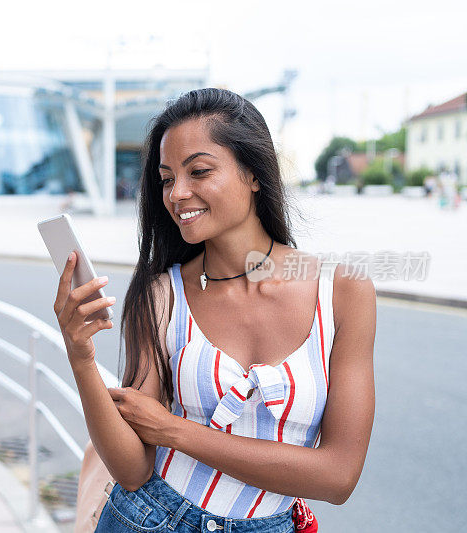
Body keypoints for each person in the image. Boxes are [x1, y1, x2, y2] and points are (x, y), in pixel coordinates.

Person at [53, 88, 376, 532]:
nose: (177, 194)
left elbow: (338, 477)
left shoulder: (342, 292)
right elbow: (132, 470)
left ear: (255, 174)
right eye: (167, 179)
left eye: (199, 172)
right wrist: (81, 356)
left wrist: (175, 431)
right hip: (148, 518)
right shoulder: (162, 294)